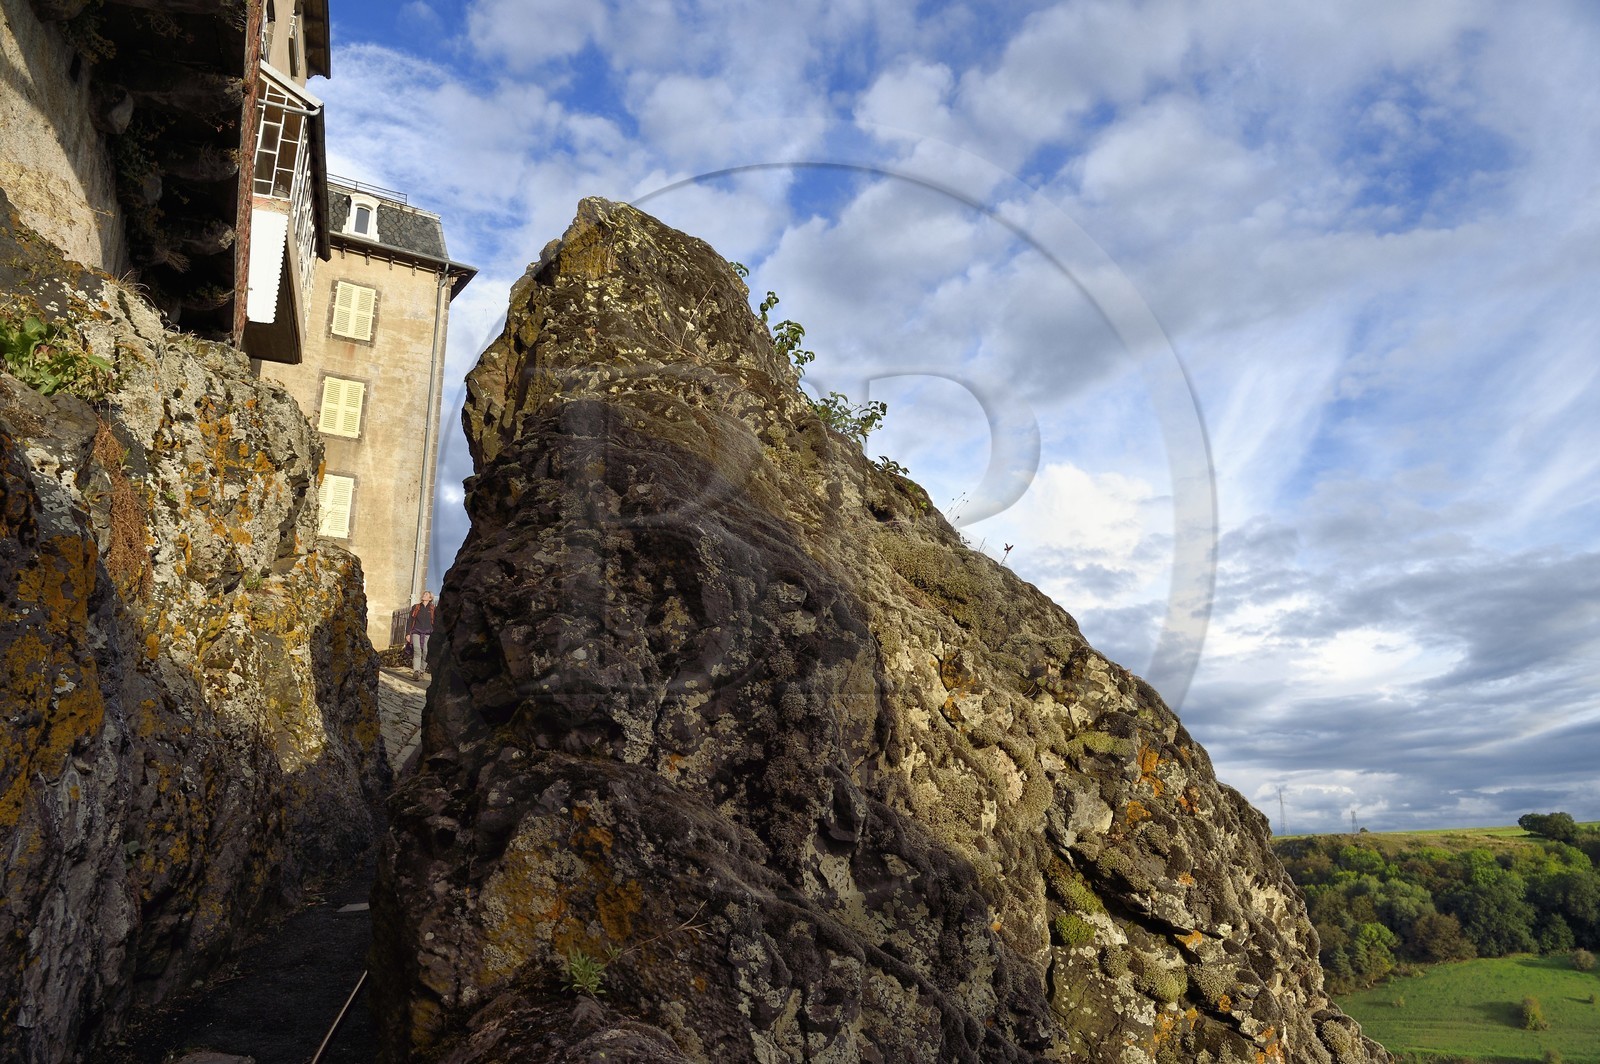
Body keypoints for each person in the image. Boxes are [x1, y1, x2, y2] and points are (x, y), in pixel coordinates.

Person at [406, 590, 435, 680]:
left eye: (426, 594)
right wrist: (408, 634)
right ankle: (416, 671)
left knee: (426, 652)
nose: (424, 595)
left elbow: (436, 623)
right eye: (424, 594)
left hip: (428, 633)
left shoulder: (433, 609)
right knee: (417, 650)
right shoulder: (416, 607)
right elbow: (410, 621)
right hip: (416, 631)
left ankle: (422, 670)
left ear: (430, 598)